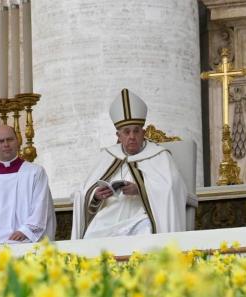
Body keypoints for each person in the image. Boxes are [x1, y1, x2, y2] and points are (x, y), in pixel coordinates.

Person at [71, 89, 187, 239]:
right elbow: (81, 193)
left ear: (143, 133)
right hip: (109, 217)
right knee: (92, 234)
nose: (132, 137)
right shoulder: (107, 156)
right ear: (118, 136)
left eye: (136, 131)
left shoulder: (160, 155)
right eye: (126, 132)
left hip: (143, 216)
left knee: (145, 231)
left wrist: (140, 189)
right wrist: (96, 196)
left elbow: (173, 188)